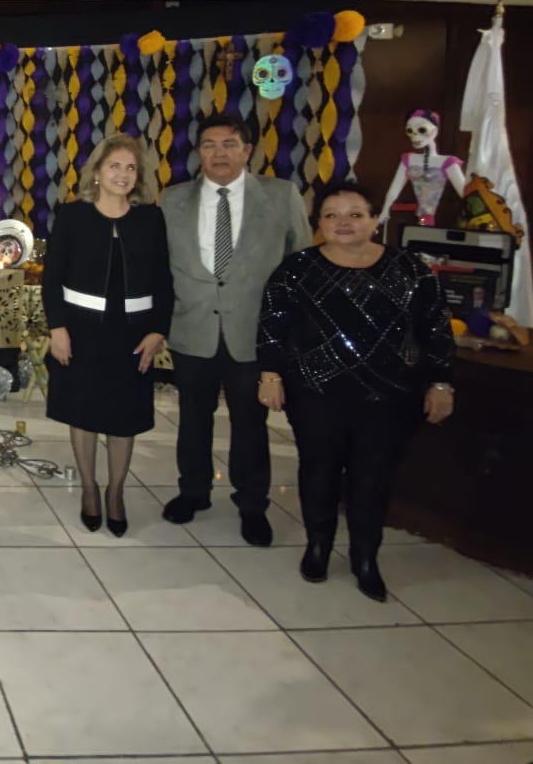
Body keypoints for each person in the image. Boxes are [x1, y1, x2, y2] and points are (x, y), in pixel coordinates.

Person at [257, 182, 455, 601]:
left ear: (374, 219)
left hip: (389, 397)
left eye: (355, 214)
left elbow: (436, 329)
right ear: (319, 223)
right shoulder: (296, 271)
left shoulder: (411, 270)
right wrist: (270, 375)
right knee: (318, 471)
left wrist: (441, 382)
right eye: (331, 215)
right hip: (316, 394)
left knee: (373, 477)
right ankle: (318, 545)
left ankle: (366, 557)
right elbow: (272, 328)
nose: (343, 223)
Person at [160, 115, 313, 546]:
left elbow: (300, 265)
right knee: (193, 417)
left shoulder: (280, 196)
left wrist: (293, 332)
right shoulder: (173, 199)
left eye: (229, 144)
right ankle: (193, 491)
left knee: (250, 421)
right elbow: (160, 265)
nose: (219, 153)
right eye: (209, 145)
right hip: (192, 327)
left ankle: (252, 504)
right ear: (199, 153)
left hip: (255, 331)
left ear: (247, 150)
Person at [43, 135, 173, 536]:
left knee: (123, 418)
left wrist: (158, 330)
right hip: (80, 333)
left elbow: (164, 280)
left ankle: (116, 491)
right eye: (114, 166)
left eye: (131, 168)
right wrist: (57, 328)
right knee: (82, 414)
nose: (123, 174)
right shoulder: (73, 216)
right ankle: (89, 488)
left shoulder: (150, 219)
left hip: (132, 335)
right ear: (97, 172)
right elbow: (52, 278)